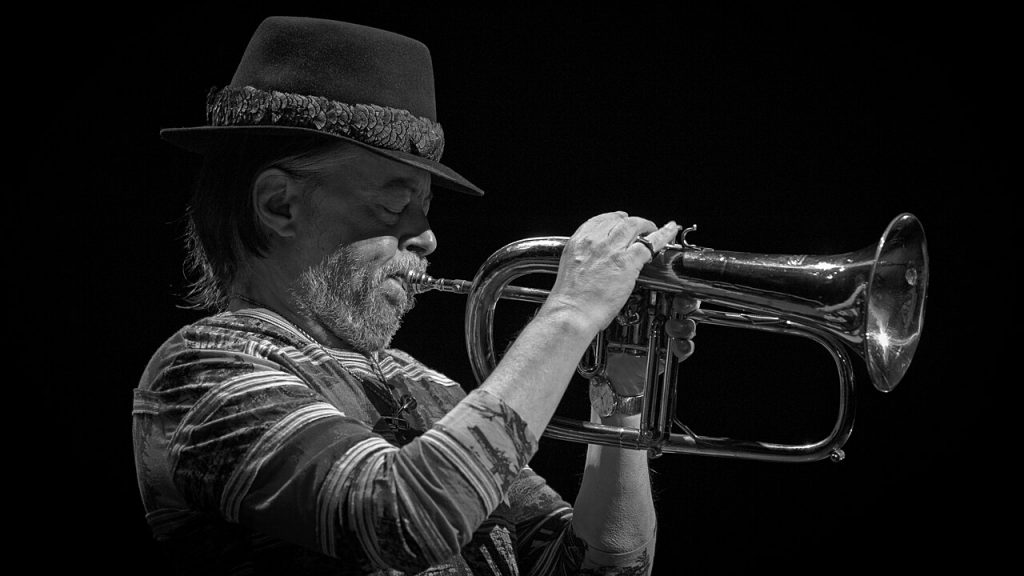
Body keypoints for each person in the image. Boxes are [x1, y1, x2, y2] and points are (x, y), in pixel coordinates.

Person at [132, 16, 698, 575]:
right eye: (393, 203)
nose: (427, 236)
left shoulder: (424, 385)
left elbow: (606, 568)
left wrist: (620, 395)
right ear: (280, 204)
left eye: (425, 206)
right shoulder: (204, 372)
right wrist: (571, 313)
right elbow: (406, 518)